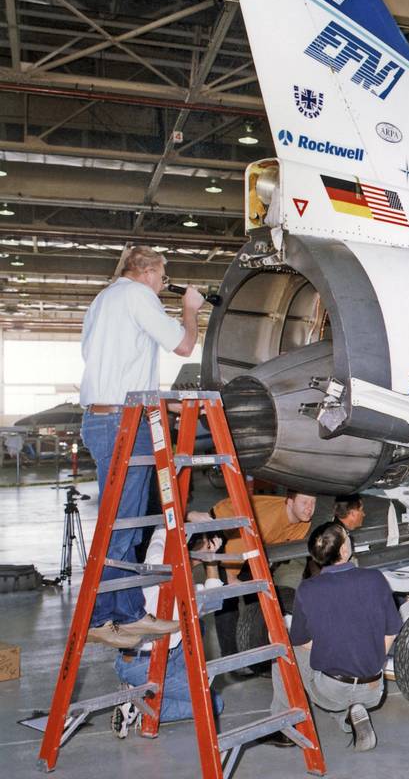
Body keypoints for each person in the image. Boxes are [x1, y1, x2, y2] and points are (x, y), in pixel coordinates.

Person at [81, 245, 203, 647]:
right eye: (163, 275)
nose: (163, 283)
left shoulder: (104, 300)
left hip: (103, 418)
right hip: (123, 421)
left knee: (127, 524)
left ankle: (128, 613)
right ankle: (102, 617)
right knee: (121, 527)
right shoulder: (137, 296)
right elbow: (184, 345)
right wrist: (191, 308)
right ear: (147, 271)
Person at [265, 521, 401, 751]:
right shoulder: (375, 579)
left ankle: (285, 729)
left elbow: (302, 642)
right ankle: (350, 716)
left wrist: (330, 644)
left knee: (283, 650)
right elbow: (392, 629)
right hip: (373, 688)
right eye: (347, 535)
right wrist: (374, 659)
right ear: (345, 551)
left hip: (331, 689)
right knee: (340, 664)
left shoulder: (308, 589)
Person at [110, 528, 225, 737]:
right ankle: (141, 706)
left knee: (197, 627)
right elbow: (216, 601)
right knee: (214, 703)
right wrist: (211, 561)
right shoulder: (187, 592)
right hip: (146, 665)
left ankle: (141, 692)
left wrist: (190, 521)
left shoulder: (155, 560)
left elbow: (161, 531)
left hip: (133, 658)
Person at [190, 491, 317, 582]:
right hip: (222, 523)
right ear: (290, 502)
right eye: (305, 502)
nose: (309, 508)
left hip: (248, 537)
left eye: (313, 503)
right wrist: (232, 577)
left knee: (256, 586)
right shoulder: (269, 521)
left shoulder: (304, 523)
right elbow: (238, 544)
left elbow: (282, 545)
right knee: (227, 595)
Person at [304, 494, 366, 579]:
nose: (364, 514)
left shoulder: (333, 529)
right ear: (352, 513)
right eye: (361, 510)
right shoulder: (334, 539)